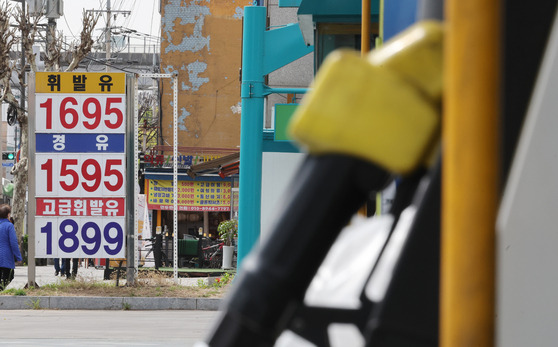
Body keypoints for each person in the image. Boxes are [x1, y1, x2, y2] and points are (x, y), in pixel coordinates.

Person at [0, 204, 22, 290]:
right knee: (9, 276)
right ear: (8, 215)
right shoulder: (9, 226)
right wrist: (18, 257)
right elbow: (13, 243)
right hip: (5, 257)